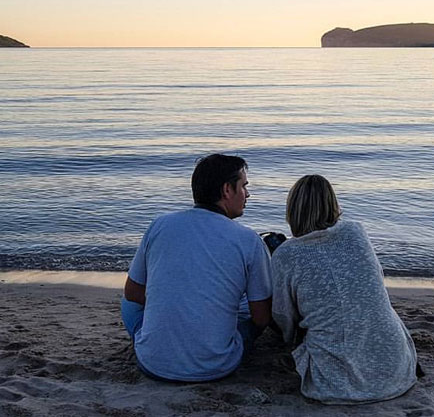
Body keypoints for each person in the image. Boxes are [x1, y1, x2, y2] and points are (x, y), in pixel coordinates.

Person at [121, 154, 272, 382]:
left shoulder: (161, 224)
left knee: (128, 303)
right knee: (245, 307)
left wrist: (177, 301)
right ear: (227, 190)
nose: (247, 194)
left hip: (153, 363)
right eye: (243, 186)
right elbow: (261, 318)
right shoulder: (249, 240)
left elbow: (133, 293)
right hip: (217, 366)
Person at [271, 175, 417, 404]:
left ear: (293, 210)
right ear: (333, 205)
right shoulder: (355, 232)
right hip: (395, 368)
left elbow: (283, 317)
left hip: (337, 383)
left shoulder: (287, 254)